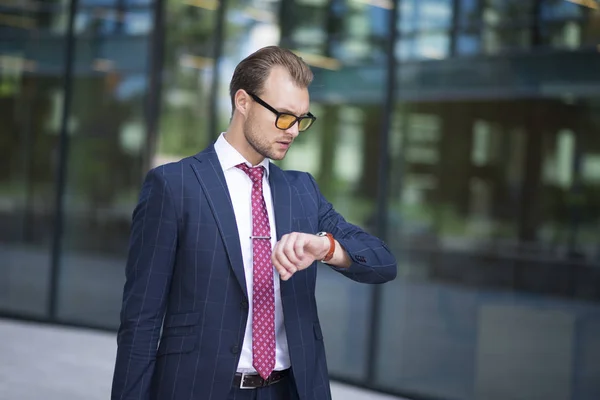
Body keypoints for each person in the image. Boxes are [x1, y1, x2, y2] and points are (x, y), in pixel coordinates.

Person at [111, 45, 397, 400]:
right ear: (243, 101)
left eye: (301, 119)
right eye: (283, 116)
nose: (292, 131)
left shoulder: (301, 191)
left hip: (287, 391)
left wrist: (326, 247)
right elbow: (141, 321)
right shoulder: (174, 186)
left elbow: (383, 262)